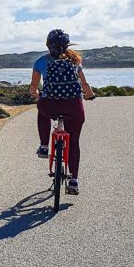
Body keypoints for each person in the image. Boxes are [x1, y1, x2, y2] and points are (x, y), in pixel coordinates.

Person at [28, 29, 95, 195]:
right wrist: (89, 95)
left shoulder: (40, 62)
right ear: (67, 45)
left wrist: (36, 95)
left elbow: (33, 88)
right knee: (74, 143)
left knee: (41, 110)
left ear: (47, 44)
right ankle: (73, 181)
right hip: (73, 107)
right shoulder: (75, 60)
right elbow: (84, 85)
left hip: (50, 105)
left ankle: (44, 146)